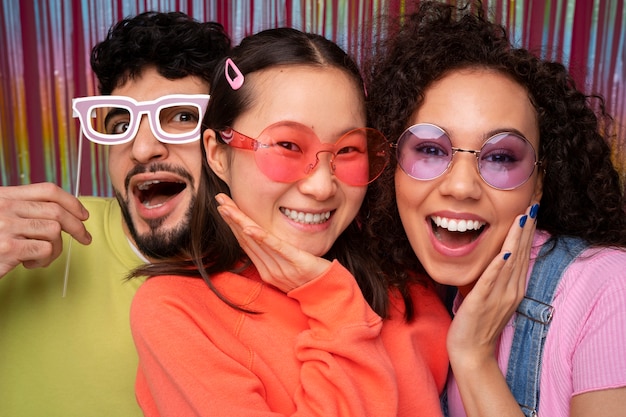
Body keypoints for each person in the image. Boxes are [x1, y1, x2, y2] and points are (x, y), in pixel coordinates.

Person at [128, 27, 452, 416]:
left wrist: (474, 353)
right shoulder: (176, 310)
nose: (321, 186)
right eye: (286, 146)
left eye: (348, 149)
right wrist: (333, 304)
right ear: (216, 153)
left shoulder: (410, 284)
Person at [364, 1, 626, 416]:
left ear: (538, 183)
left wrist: (473, 358)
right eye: (431, 149)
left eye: (501, 157)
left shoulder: (609, 288)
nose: (462, 186)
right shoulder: (418, 304)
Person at [0, 11, 230, 417]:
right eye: (121, 122)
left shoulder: (271, 273)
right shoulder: (25, 239)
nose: (143, 149)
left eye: (180, 116)